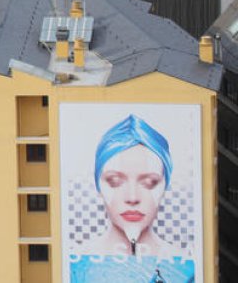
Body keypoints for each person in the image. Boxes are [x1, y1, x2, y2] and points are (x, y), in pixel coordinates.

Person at [69, 114, 194, 282]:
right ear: (98, 186)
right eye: (114, 181)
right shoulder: (74, 265)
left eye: (150, 182)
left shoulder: (189, 265)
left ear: (165, 186)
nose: (132, 197)